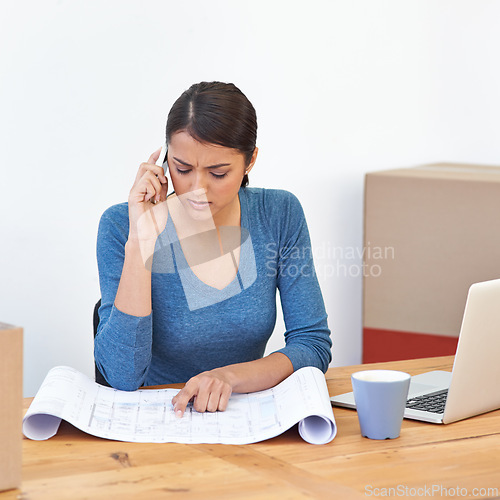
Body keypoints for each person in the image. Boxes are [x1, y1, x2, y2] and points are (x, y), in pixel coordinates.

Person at [95, 81, 332, 417]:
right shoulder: (122, 225)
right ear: (164, 161)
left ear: (250, 162)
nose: (197, 190)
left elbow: (313, 345)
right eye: (182, 169)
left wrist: (227, 378)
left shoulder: (278, 214)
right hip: (158, 418)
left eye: (218, 173)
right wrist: (141, 243)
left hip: (245, 416)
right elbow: (120, 375)